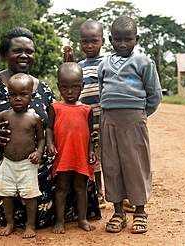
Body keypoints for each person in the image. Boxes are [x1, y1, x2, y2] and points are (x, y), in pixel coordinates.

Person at [0, 27, 101, 232]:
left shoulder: (43, 89)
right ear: (5, 54)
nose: (24, 55)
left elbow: (57, 122)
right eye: (17, 50)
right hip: (1, 162)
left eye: (29, 51)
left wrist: (84, 134)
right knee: (5, 212)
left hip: (36, 161)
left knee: (67, 179)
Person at [98, 16, 162, 234]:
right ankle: (118, 212)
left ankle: (140, 211)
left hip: (134, 119)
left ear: (137, 39)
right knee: (112, 166)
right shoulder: (104, 64)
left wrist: (140, 115)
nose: (122, 44)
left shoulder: (144, 63)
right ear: (110, 39)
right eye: (117, 39)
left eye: (128, 39)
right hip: (108, 120)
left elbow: (154, 95)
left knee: (135, 165)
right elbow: (101, 92)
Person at [0, 73, 45, 238]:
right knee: (7, 195)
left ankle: (30, 225)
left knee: (31, 195)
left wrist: (39, 151)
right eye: (13, 95)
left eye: (23, 95)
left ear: (32, 96)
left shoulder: (35, 119)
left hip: (28, 164)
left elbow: (41, 139)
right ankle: (10, 223)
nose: (18, 98)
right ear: (8, 96)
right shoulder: (5, 115)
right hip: (7, 164)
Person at [46, 62, 97, 234]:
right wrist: (49, 143)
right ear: (59, 86)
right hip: (63, 156)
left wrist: (91, 151)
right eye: (65, 87)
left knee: (81, 189)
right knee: (61, 189)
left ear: (82, 86)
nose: (69, 91)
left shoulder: (87, 110)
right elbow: (49, 128)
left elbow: (91, 133)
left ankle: (82, 219)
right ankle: (59, 221)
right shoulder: (55, 108)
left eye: (75, 86)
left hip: (80, 156)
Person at [78, 19, 106, 209]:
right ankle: (99, 194)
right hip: (87, 123)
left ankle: (120, 193)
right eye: (85, 41)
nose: (89, 45)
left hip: (106, 121)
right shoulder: (77, 66)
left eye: (94, 41)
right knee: (93, 160)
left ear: (102, 41)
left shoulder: (108, 63)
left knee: (111, 159)